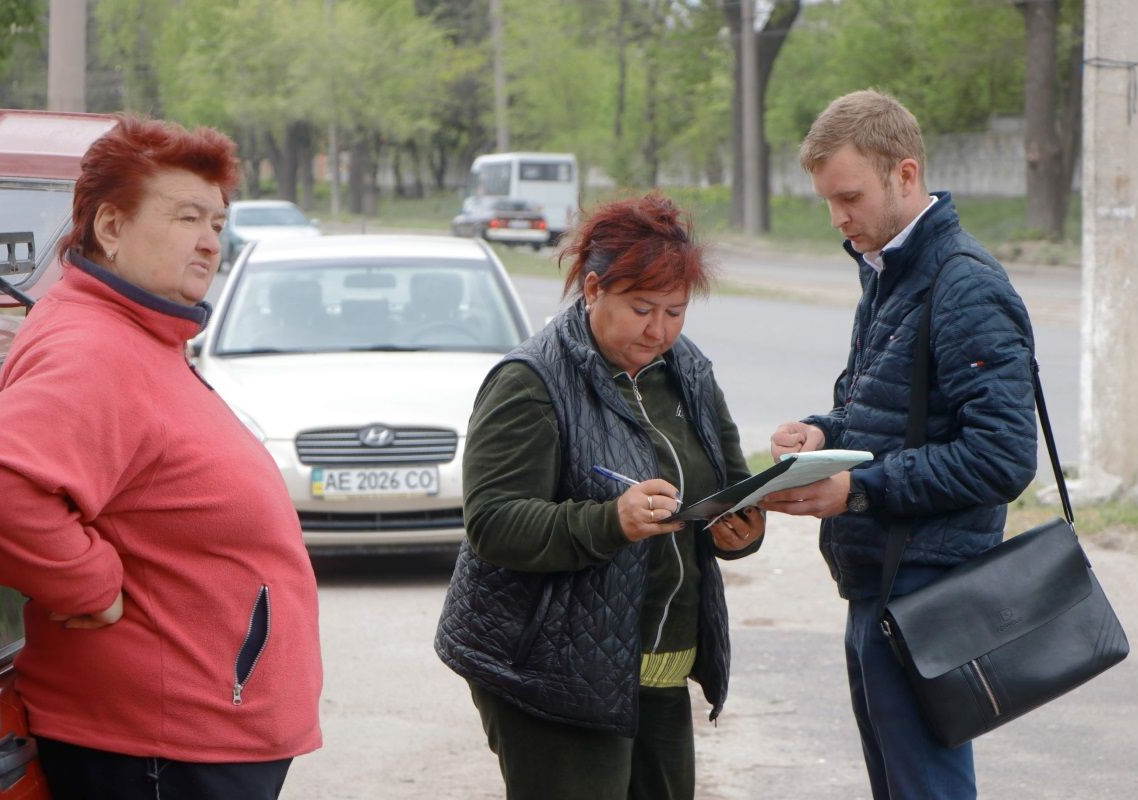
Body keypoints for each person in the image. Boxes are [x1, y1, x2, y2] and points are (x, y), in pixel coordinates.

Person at [0, 116, 322, 799]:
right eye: (187, 217)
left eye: (217, 223)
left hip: (187, 739)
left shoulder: (135, 332)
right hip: (159, 749)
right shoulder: (94, 348)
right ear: (111, 227)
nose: (210, 241)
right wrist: (89, 584)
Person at [435, 193, 765, 799]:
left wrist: (741, 529)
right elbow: (493, 522)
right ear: (593, 289)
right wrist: (612, 520)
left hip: (659, 662)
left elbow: (730, 484)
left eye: (675, 311)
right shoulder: (531, 381)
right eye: (641, 309)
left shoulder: (687, 370)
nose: (659, 330)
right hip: (550, 671)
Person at [758, 89, 1037, 800]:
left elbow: (1003, 457)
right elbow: (888, 412)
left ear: (905, 174)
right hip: (881, 582)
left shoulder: (964, 284)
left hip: (928, 592)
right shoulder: (889, 270)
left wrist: (859, 488)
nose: (837, 217)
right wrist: (824, 432)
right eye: (828, 200)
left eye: (849, 197)